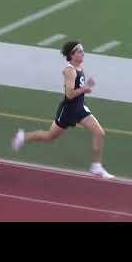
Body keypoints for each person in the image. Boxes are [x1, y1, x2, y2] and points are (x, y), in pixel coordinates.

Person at [11, 41, 114, 179]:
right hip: (68, 111)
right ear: (72, 54)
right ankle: (24, 137)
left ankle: (96, 166)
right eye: (80, 51)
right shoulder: (70, 71)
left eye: (83, 51)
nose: (83, 53)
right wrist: (85, 88)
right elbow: (69, 94)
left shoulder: (79, 68)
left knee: (99, 133)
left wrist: (85, 88)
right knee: (50, 136)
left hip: (80, 108)